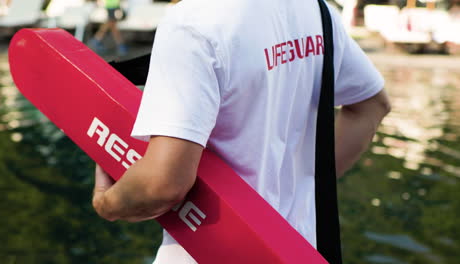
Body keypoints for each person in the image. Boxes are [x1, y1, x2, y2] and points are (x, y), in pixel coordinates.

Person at [91, 0, 391, 263]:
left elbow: (162, 185)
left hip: (211, 251)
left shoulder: (193, 21)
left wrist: (108, 203)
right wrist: (304, 184)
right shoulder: (314, 9)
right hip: (294, 248)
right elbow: (372, 105)